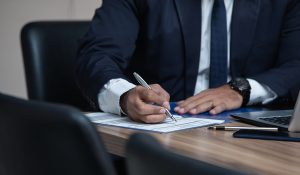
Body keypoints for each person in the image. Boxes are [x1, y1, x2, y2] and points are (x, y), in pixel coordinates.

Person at [76, 0, 300, 123]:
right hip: (163, 136)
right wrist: (125, 96)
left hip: (247, 136)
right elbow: (96, 55)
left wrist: (243, 89)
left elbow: (295, 64)